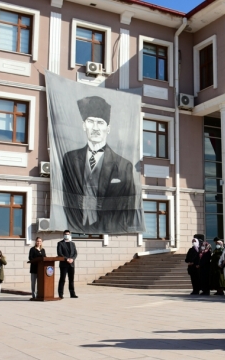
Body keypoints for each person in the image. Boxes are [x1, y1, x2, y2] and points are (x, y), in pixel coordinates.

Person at [62, 96, 136, 234]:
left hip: (108, 228)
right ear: (84, 125)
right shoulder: (70, 159)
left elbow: (129, 205)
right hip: (77, 226)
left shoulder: (124, 165)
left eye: (100, 122)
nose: (95, 128)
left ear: (108, 128)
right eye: (90, 121)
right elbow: (65, 197)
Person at [57, 230, 78, 299]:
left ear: (70, 235)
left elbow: (75, 253)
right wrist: (66, 259)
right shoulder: (60, 243)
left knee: (71, 279)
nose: (67, 235)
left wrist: (72, 259)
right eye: (65, 234)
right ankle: (60, 294)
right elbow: (60, 253)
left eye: (68, 234)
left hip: (71, 264)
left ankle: (72, 293)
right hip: (64, 264)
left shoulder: (72, 244)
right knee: (62, 279)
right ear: (63, 235)